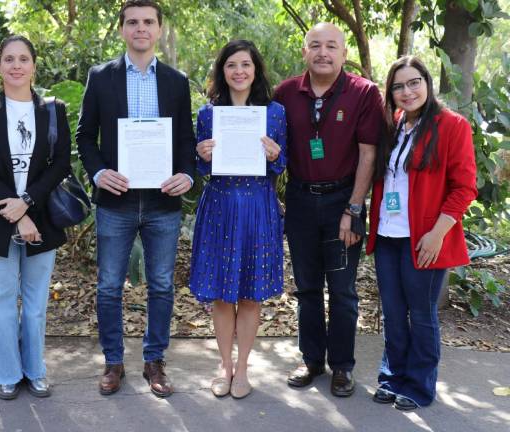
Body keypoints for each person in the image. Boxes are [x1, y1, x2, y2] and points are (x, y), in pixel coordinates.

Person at [76, 0, 196, 398]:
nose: (140, 28)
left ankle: (154, 361)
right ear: (122, 29)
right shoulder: (101, 77)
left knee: (161, 285)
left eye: (148, 22)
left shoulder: (177, 82)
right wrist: (97, 172)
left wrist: (187, 174)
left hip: (162, 202)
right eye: (132, 22)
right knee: (109, 286)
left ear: (159, 29)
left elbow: (185, 142)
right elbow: (84, 137)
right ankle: (113, 363)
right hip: (116, 201)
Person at [273, 22, 383, 397]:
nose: (323, 52)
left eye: (331, 46)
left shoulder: (364, 93)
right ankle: (311, 360)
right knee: (306, 289)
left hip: (342, 201)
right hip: (301, 201)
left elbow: (369, 154)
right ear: (304, 51)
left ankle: (342, 367)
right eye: (315, 45)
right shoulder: (286, 93)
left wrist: (354, 210)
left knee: (342, 290)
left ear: (344, 53)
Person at [366, 56, 477, 411]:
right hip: (387, 235)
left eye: (414, 82)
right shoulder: (395, 124)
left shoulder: (452, 126)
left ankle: (418, 385)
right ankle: (392, 377)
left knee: (422, 312)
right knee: (394, 312)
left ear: (427, 83)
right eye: (398, 86)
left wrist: (437, 233)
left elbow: (464, 187)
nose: (407, 91)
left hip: (425, 239)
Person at [0, 35, 71, 400]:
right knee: (0, 303)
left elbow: (61, 163)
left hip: (42, 217)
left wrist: (26, 203)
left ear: (33, 65)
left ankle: (36, 370)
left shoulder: (53, 109)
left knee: (35, 303)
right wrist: (14, 212)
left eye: (23, 58)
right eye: (9, 59)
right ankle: (7, 373)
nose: (16, 65)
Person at [190, 40, 287, 399]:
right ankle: (224, 366)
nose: (239, 71)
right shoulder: (208, 114)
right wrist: (201, 154)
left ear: (256, 70)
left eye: (245, 64)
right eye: (231, 65)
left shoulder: (274, 113)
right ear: (223, 71)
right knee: (220, 294)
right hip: (219, 206)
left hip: (258, 206)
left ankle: (243, 367)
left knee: (249, 295)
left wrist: (275, 154)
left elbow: (282, 163)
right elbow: (202, 168)